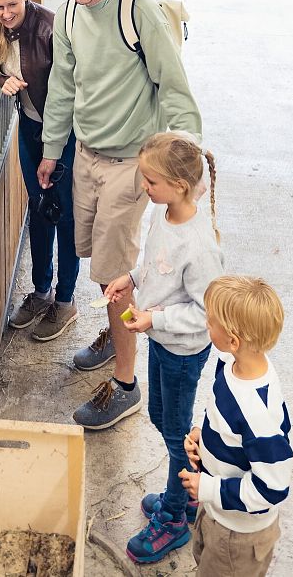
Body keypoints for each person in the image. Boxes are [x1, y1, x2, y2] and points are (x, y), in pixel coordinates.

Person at [37, 0, 203, 429]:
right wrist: (51, 150)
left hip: (131, 163)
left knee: (116, 275)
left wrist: (187, 159)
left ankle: (127, 384)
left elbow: (173, 85)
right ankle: (116, 332)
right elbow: (63, 87)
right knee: (98, 259)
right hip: (86, 156)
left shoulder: (137, 11)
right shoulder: (67, 14)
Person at [104, 132, 223, 563]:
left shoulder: (199, 244)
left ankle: (175, 516)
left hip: (183, 349)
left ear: (180, 186)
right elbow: (155, 263)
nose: (144, 188)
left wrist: (157, 319)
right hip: (160, 339)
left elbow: (208, 314)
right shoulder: (164, 214)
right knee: (161, 417)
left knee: (176, 434)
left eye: (151, 182)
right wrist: (132, 279)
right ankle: (185, 490)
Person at [0, 0, 80, 340]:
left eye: (12, 3)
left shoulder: (50, 29)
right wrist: (2, 79)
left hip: (60, 131)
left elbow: (65, 92)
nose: (6, 13)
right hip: (29, 127)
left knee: (65, 213)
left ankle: (66, 299)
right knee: (39, 209)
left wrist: (52, 150)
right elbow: (0, 64)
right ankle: (41, 291)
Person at [180, 276, 292, 577]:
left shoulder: (258, 413)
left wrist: (209, 487)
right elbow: (224, 418)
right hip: (218, 511)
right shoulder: (230, 366)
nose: (206, 323)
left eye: (211, 321)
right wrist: (204, 438)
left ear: (233, 340)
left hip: (239, 536)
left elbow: (273, 487)